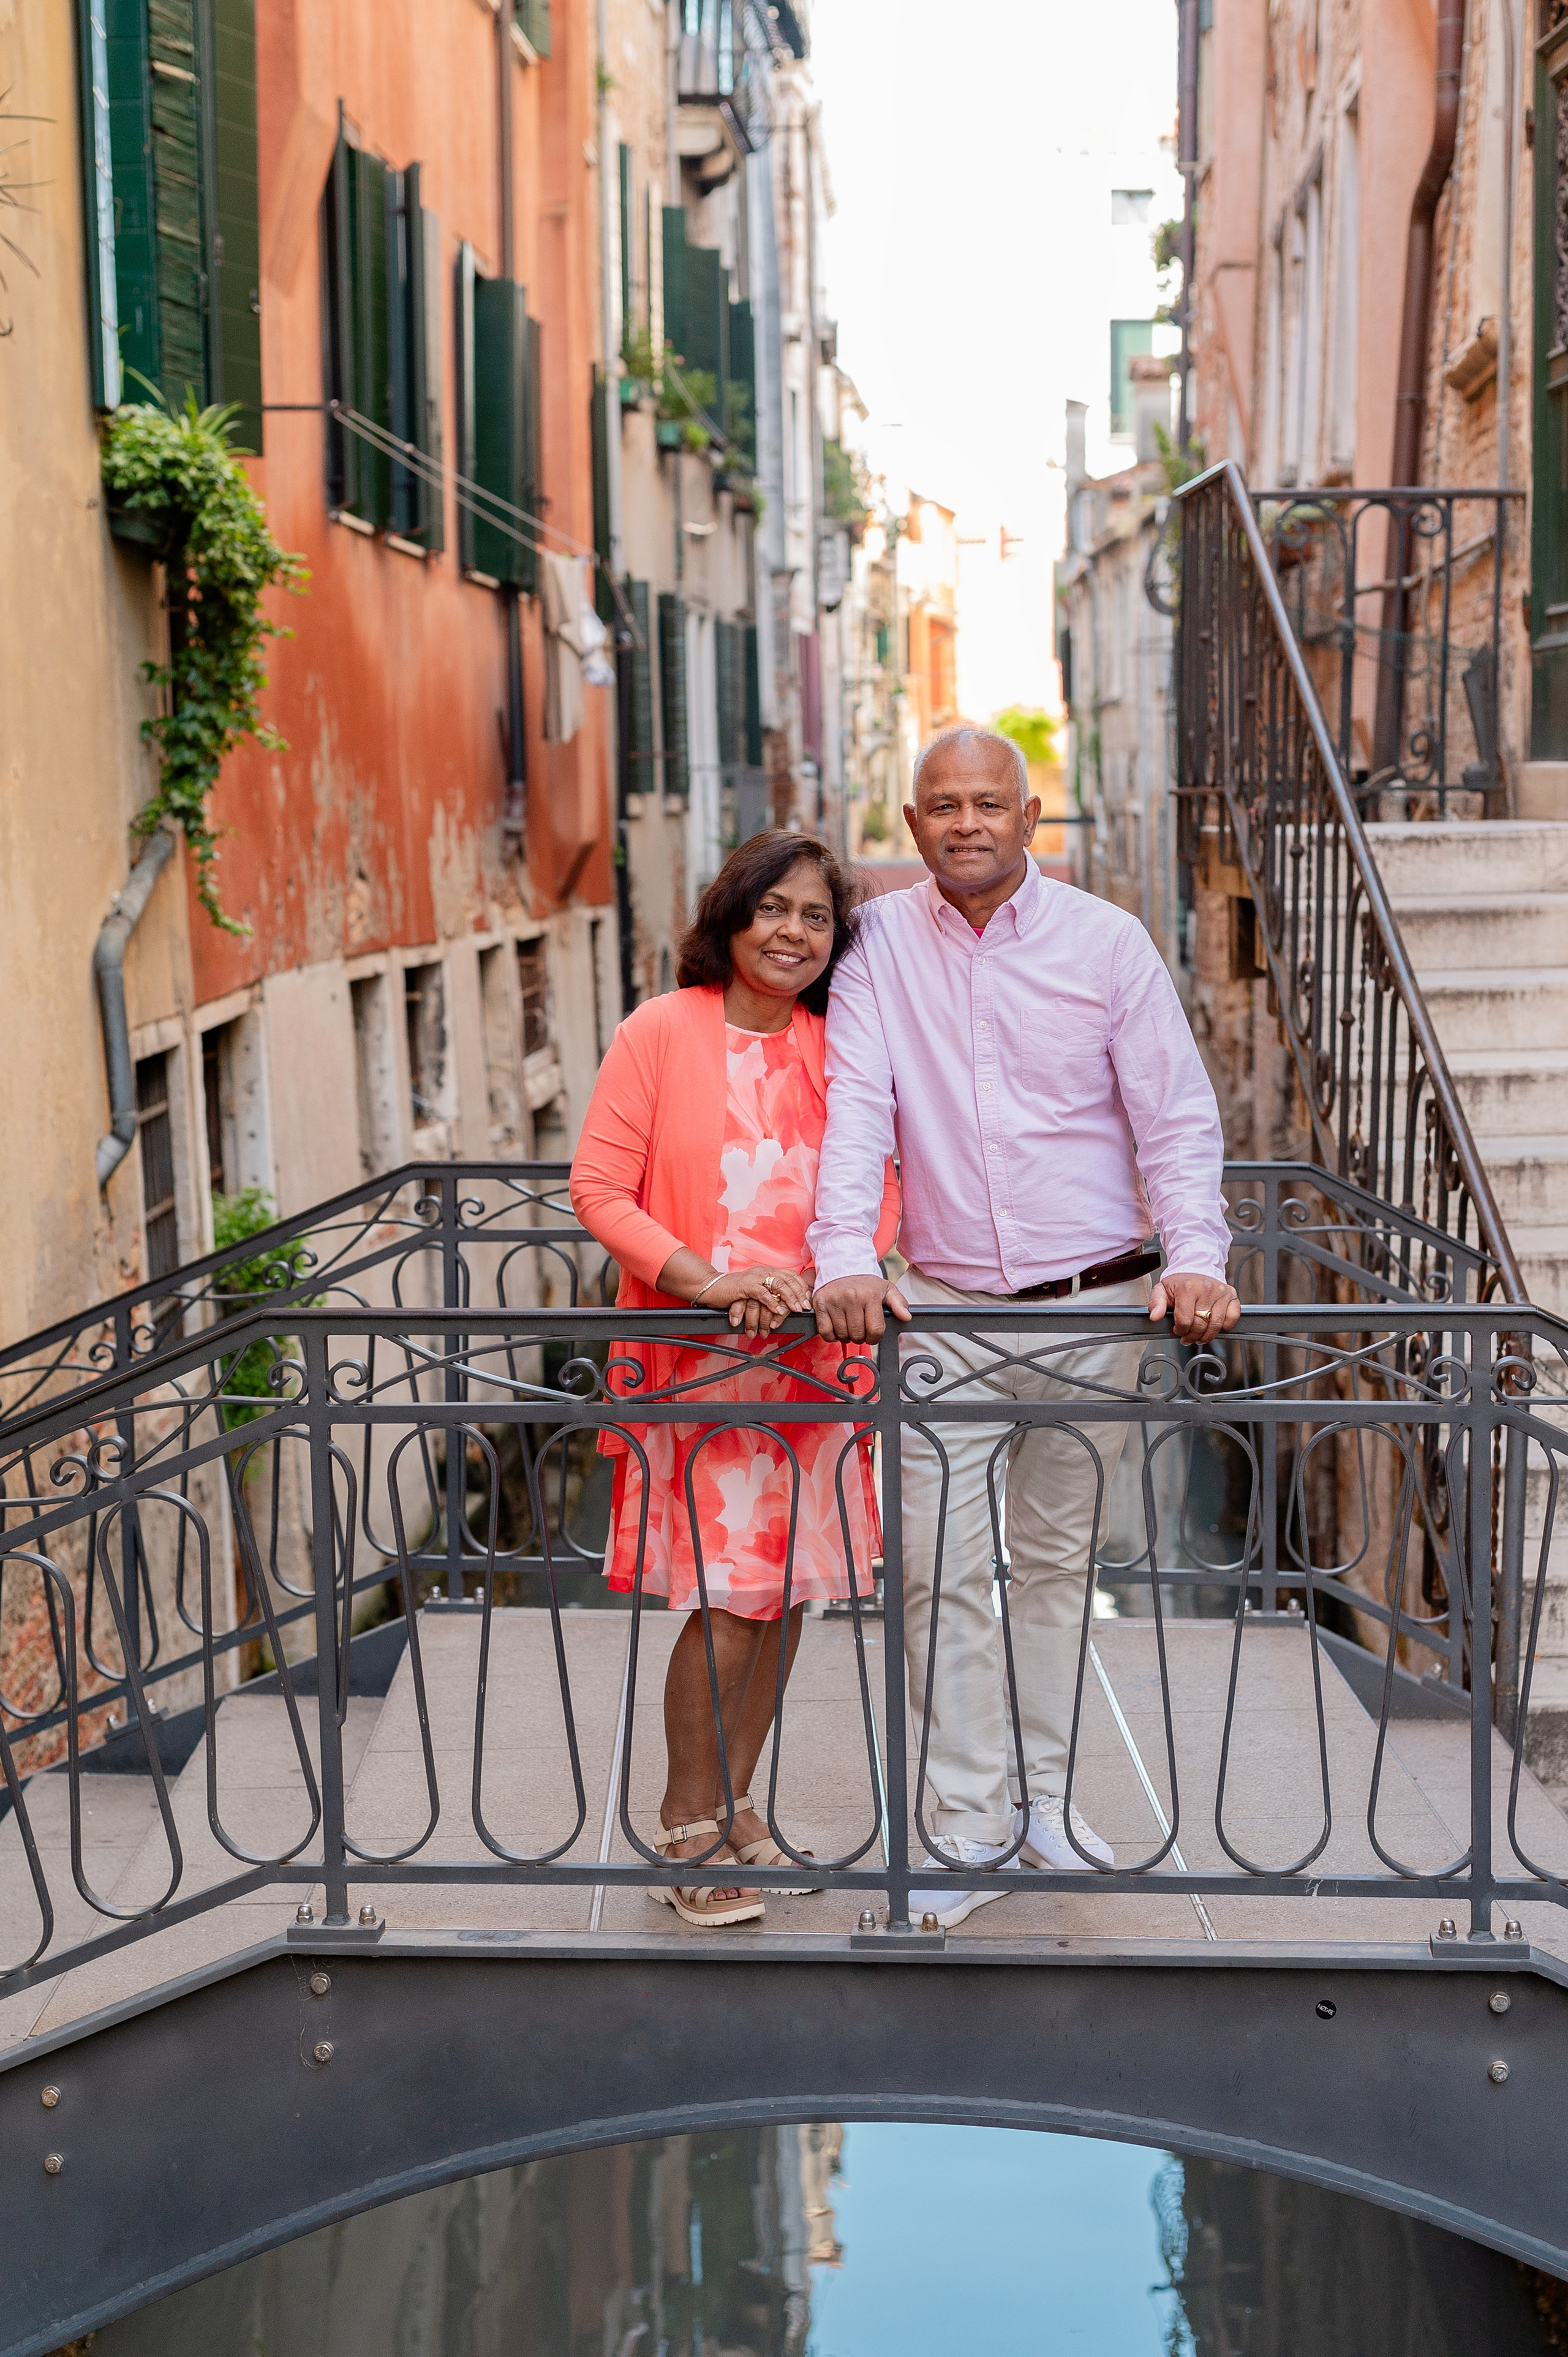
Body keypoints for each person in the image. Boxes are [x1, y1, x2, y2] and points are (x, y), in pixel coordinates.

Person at [810, 726, 1239, 1928]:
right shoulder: (879, 944)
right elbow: (854, 1108)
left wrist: (1196, 1257)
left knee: (1057, 1568)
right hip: (940, 1308)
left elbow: (1173, 1116)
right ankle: (960, 1832)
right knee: (937, 1574)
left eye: (985, 802)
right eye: (940, 804)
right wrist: (843, 1255)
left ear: (1029, 814)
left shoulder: (1106, 943)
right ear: (910, 824)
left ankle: (1044, 1809)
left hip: (1098, 1303)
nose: (964, 823)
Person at [570, 833, 899, 1928]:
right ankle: (685, 1821)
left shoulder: (838, 1044)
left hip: (809, 1357)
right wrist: (714, 1285)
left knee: (785, 1599)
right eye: (773, 909)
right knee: (726, 1605)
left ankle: (739, 1804)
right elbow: (601, 1191)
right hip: (699, 1362)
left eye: (815, 917)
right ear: (733, 916)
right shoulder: (660, 1031)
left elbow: (882, 1186)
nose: (792, 932)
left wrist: (810, 1283)